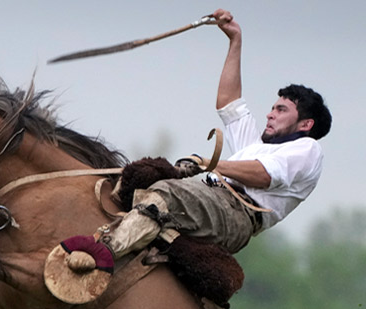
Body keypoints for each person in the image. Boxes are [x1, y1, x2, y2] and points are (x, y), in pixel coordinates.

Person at [102, 8, 330, 260]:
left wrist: (207, 164)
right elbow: (228, 103)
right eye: (272, 108)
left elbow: (264, 175)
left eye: (281, 109)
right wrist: (234, 41)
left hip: (236, 214)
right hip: (211, 199)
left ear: (305, 124)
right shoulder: (254, 147)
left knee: (167, 192)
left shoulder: (308, 150)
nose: (269, 114)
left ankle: (103, 255)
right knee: (134, 178)